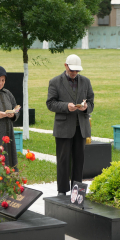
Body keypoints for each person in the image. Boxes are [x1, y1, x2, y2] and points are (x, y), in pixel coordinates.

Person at [46, 54, 94, 196]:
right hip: (63, 128)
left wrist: (86, 107)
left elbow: (91, 102)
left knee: (79, 160)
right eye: (72, 70)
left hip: (81, 127)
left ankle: (77, 191)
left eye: (77, 71)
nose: (74, 73)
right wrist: (66, 106)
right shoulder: (55, 82)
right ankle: (62, 190)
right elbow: (50, 103)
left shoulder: (86, 81)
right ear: (65, 66)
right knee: (63, 160)